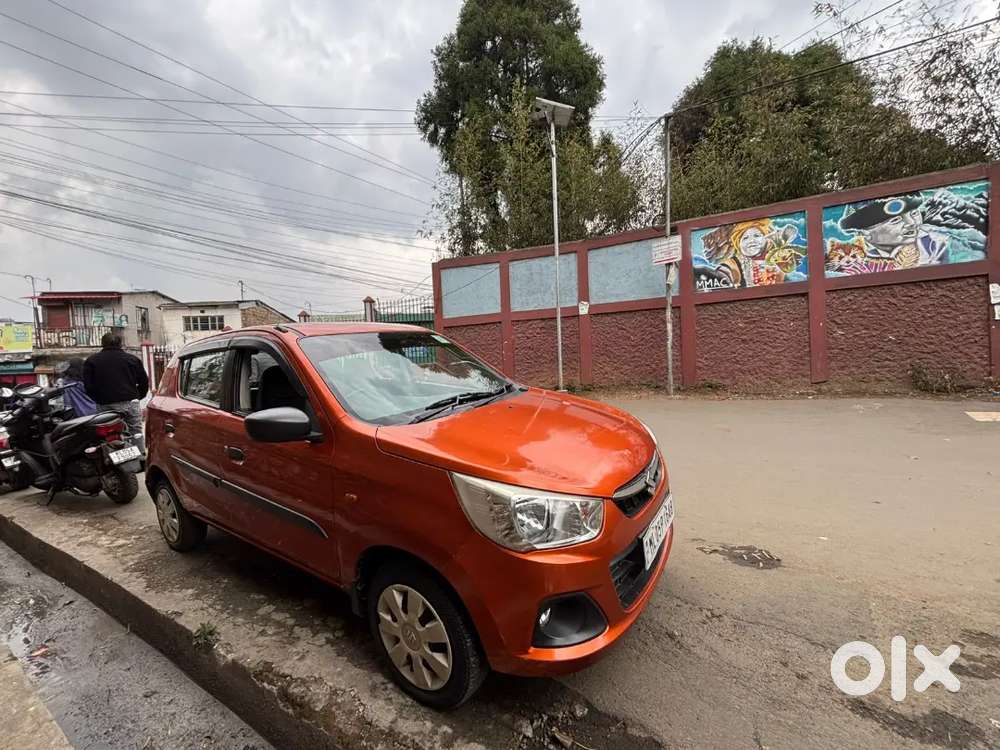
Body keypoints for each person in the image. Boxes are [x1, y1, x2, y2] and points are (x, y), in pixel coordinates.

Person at [83, 331, 149, 450]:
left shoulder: (92, 361)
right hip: (130, 402)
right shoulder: (132, 359)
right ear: (120, 344)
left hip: (105, 404)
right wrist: (138, 396)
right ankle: (141, 458)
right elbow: (144, 381)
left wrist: (98, 398)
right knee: (136, 431)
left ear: (102, 344)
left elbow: (88, 386)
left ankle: (110, 459)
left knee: (105, 434)